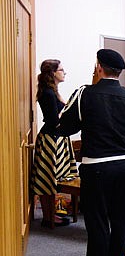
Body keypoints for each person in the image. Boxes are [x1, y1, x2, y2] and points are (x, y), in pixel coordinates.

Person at [56, 49, 125, 256]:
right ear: (120, 72)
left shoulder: (85, 94)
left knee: (97, 220)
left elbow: (65, 127)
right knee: (120, 220)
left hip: (96, 167)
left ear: (99, 67)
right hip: (124, 166)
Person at [30, 59, 78, 227]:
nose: (64, 73)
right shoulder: (48, 93)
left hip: (56, 138)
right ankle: (48, 218)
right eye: (61, 70)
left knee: (53, 178)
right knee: (47, 178)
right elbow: (53, 120)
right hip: (51, 139)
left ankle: (51, 215)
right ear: (52, 73)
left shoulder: (52, 90)